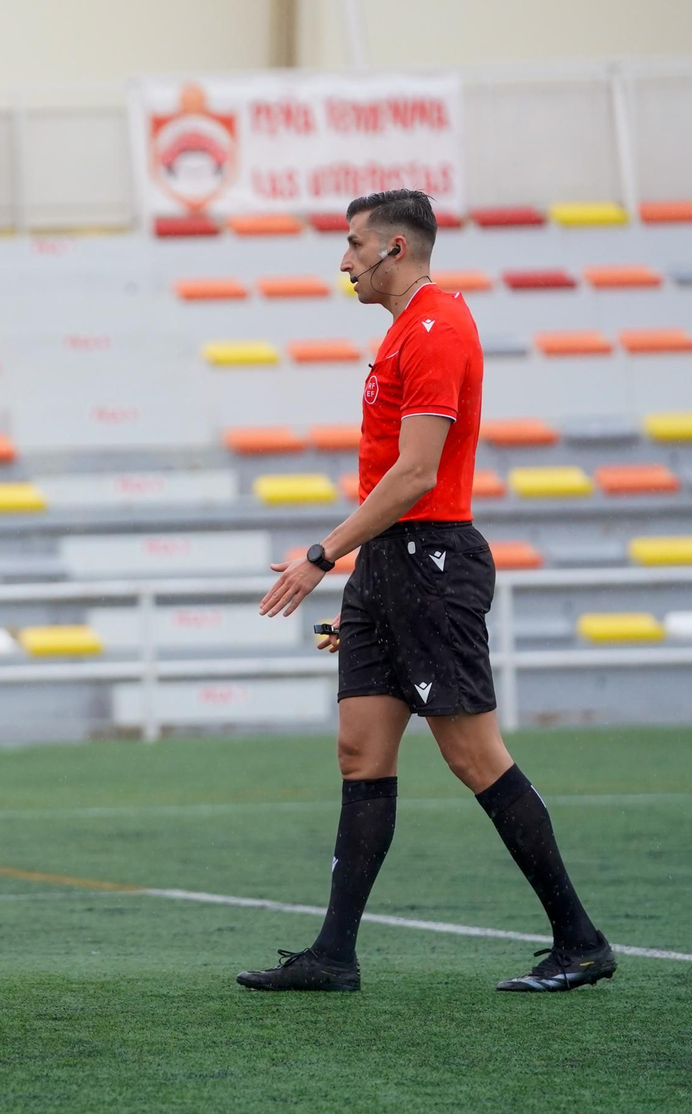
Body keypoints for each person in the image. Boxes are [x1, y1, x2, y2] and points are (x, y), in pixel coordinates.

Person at [235, 190, 614, 993]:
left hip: (431, 561)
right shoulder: (405, 329)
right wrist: (364, 579)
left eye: (354, 244)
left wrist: (321, 555)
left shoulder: (438, 328)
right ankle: (333, 957)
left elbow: (415, 475)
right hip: (389, 565)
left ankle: (581, 942)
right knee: (359, 750)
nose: (344, 260)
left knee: (474, 756)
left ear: (395, 248)